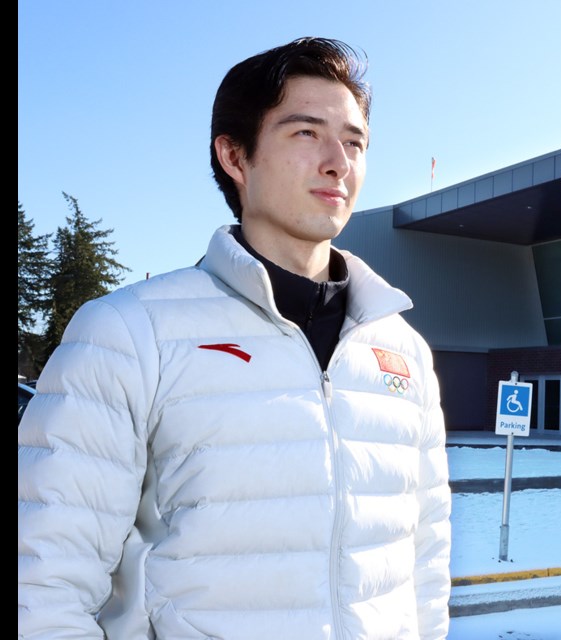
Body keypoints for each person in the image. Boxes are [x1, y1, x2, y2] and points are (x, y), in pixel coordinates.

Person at [18, 38, 452, 640]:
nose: (338, 162)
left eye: (354, 141)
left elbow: (424, 567)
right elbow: (41, 585)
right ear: (234, 155)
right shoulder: (130, 332)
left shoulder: (402, 350)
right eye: (306, 133)